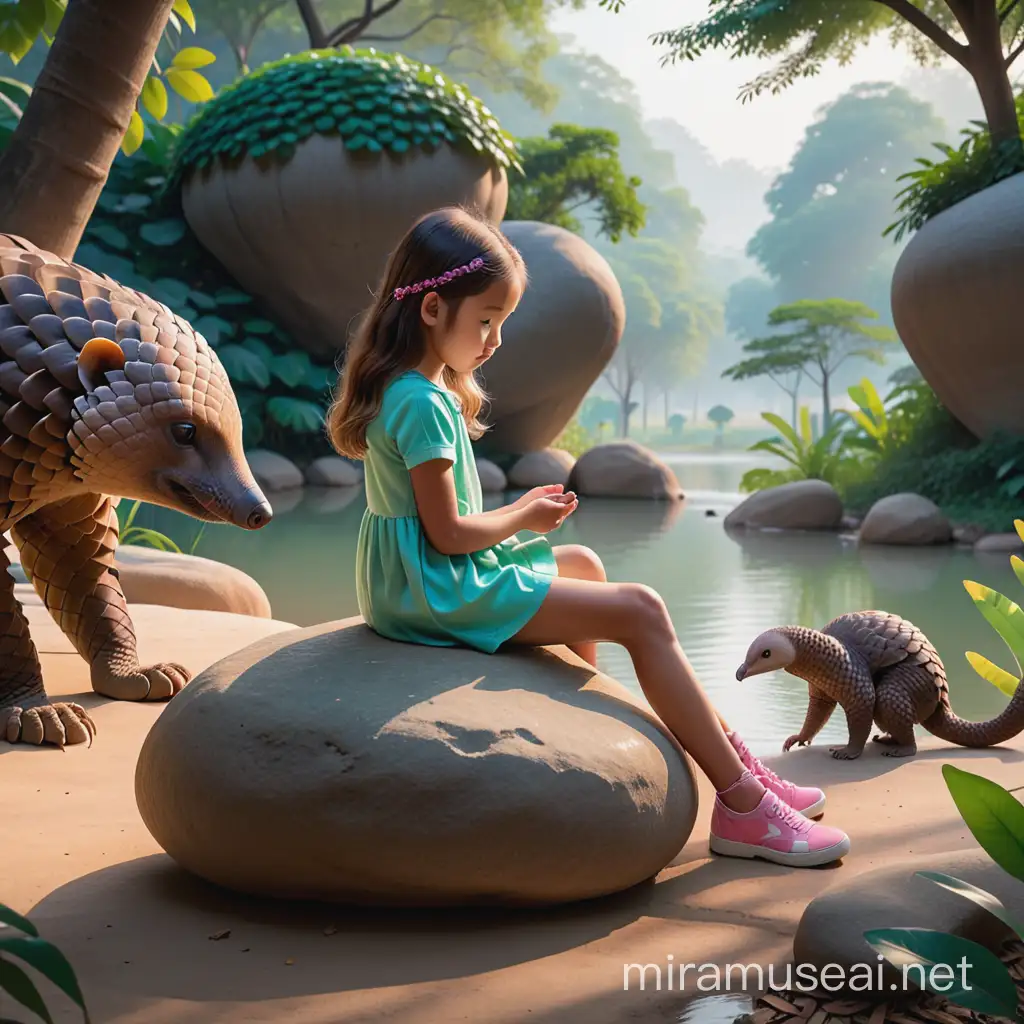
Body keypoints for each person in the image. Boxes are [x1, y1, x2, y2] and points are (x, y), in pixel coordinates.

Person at [327, 205, 850, 869]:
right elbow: (452, 535)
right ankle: (743, 803)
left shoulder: (414, 389)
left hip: (414, 578)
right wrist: (522, 514)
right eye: (485, 320)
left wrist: (522, 516)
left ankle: (599, 720)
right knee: (642, 611)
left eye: (501, 324)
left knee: (582, 562)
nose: (493, 340)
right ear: (432, 309)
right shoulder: (422, 404)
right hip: (435, 586)